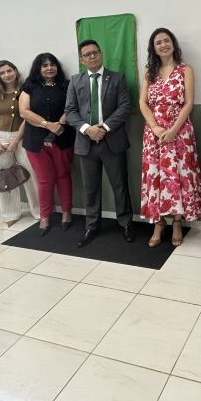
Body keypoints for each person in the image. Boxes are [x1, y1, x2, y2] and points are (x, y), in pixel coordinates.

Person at [65, 40, 135, 247]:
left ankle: (125, 223)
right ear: (82, 59)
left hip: (112, 140)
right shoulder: (75, 81)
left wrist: (103, 128)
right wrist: (88, 129)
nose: (92, 56)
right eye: (87, 54)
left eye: (95, 52)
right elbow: (70, 111)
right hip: (86, 143)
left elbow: (124, 106)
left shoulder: (117, 78)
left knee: (120, 186)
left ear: (101, 54)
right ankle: (92, 226)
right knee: (91, 188)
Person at [139, 28, 201, 247]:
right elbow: (142, 103)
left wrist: (174, 129)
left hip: (180, 132)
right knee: (155, 176)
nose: (163, 45)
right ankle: (159, 223)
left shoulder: (186, 69)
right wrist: (155, 128)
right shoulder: (149, 71)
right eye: (158, 42)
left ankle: (177, 222)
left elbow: (189, 102)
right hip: (154, 134)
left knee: (179, 177)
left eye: (166, 41)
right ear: (153, 48)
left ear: (173, 44)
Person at [18, 54, 74, 234]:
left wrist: (60, 123)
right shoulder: (29, 87)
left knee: (63, 175)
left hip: (62, 138)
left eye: (52, 64)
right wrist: (48, 125)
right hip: (35, 142)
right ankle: (45, 216)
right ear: (38, 68)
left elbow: (72, 107)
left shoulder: (67, 85)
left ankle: (66, 213)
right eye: (44, 65)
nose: (49, 68)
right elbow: (24, 112)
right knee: (44, 179)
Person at [0, 60, 40, 227]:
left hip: (23, 137)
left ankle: (38, 211)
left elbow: (26, 116)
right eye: (2, 73)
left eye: (9, 71)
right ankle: (10, 213)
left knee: (30, 174)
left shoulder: (25, 90)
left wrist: (16, 140)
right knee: (5, 176)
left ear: (15, 71)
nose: (7, 75)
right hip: (1, 138)